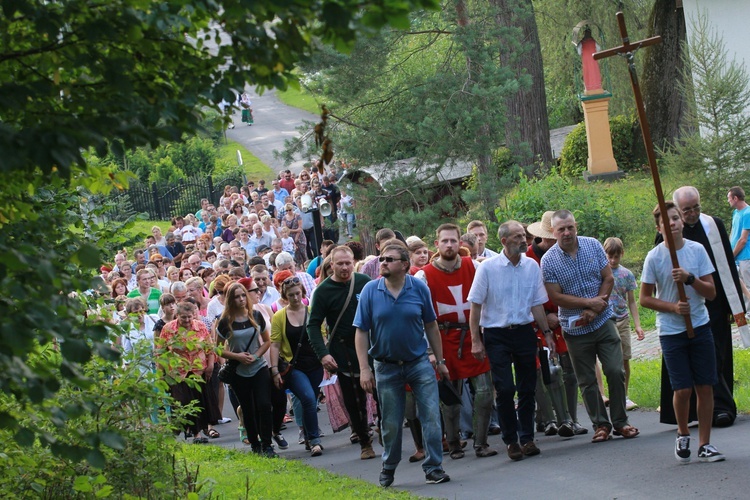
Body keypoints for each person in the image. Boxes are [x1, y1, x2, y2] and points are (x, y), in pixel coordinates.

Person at [354, 242, 450, 487]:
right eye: (382, 258)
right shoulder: (369, 290)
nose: (382, 263)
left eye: (389, 259)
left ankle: (433, 467)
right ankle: (389, 467)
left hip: (418, 362)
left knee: (430, 415)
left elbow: (431, 325)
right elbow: (362, 331)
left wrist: (440, 361)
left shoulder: (418, 287)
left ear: (405, 265)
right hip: (386, 366)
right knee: (392, 422)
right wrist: (364, 368)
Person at [540, 210, 639, 443]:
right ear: (553, 233)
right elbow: (555, 296)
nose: (566, 232)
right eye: (561, 229)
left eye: (570, 227)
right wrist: (587, 304)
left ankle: (621, 422)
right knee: (587, 380)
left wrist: (596, 307)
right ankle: (601, 425)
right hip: (575, 329)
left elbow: (608, 278)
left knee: (616, 370)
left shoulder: (593, 245)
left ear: (576, 226)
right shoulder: (548, 260)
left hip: (603, 320)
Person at [640, 201, 725, 463]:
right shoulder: (654, 257)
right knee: (683, 389)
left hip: (700, 326)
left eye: (676, 218)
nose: (673, 223)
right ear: (659, 227)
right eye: (667, 220)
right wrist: (673, 307)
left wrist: (690, 279)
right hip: (671, 331)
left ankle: (705, 444)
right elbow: (644, 298)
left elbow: (711, 293)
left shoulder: (697, 250)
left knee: (705, 386)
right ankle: (683, 431)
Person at [467, 221, 555, 461]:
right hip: (497, 334)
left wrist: (547, 333)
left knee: (528, 387)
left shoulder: (531, 267)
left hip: (525, 331)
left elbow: (537, 303)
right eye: (517, 237)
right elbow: (475, 305)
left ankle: (526, 438)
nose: (523, 241)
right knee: (505, 388)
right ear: (504, 241)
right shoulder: (488, 269)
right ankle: (510, 439)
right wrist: (476, 340)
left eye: (523, 236)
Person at [415, 224, 495, 458]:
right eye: (444, 241)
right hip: (443, 340)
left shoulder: (476, 267)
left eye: (453, 241)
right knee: (450, 397)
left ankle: (481, 443)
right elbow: (421, 317)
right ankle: (454, 442)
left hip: (473, 337)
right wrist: (430, 350)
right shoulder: (424, 276)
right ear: (436, 244)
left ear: (460, 242)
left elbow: (489, 300)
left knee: (485, 393)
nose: (449, 245)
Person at [665, 186, 742, 427]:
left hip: (714, 302)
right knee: (686, 358)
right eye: (686, 209)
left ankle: (721, 407)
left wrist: (734, 303)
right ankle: (689, 413)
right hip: (685, 306)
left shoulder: (713, 224)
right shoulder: (668, 231)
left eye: (696, 207)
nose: (692, 213)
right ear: (678, 209)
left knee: (716, 356)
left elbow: (727, 263)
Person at [307, 245, 375, 460]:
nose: (345, 267)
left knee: (384, 395)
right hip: (343, 352)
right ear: (331, 265)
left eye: (348, 263)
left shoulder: (365, 283)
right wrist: (323, 354)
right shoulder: (323, 291)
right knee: (355, 400)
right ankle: (365, 441)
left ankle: (387, 433)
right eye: (340, 264)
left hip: (373, 348)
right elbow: (313, 325)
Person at [526, 211, 585, 435]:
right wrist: (542, 318)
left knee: (569, 371)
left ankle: (570, 419)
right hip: (536, 322)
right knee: (542, 372)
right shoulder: (529, 259)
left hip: (564, 318)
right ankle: (549, 419)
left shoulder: (566, 253)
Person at [216, 282, 277, 457]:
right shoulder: (225, 321)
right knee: (248, 408)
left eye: (243, 295)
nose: (241, 299)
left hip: (258, 367)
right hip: (238, 371)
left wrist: (256, 355)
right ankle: (255, 444)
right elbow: (218, 348)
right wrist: (237, 357)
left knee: (264, 405)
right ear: (230, 299)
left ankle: (267, 444)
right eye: (237, 296)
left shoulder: (256, 316)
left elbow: (267, 341)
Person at [270, 276, 324, 456]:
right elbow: (275, 344)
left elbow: (322, 335)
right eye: (291, 295)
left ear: (303, 293)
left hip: (315, 364)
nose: (295, 298)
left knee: (312, 401)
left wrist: (326, 358)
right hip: (294, 367)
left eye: (297, 294)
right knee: (308, 398)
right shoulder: (279, 316)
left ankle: (308, 437)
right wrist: (274, 370)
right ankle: (315, 440)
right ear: (285, 296)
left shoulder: (311, 311)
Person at [158, 301, 215, 443]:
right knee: (181, 401)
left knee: (197, 402)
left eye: (190, 317)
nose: (187, 320)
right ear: (177, 316)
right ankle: (184, 430)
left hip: (197, 370)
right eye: (183, 317)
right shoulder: (169, 328)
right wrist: (161, 374)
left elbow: (209, 348)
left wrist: (210, 366)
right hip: (177, 372)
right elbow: (161, 352)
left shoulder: (200, 326)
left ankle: (197, 433)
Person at [603, 237, 645, 411]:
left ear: (622, 255)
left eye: (616, 257)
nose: (612, 260)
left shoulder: (626, 274)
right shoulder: (602, 272)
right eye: (609, 256)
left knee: (625, 358)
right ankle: (612, 393)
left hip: (623, 319)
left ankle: (624, 395)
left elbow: (632, 302)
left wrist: (638, 325)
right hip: (606, 320)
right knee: (612, 361)